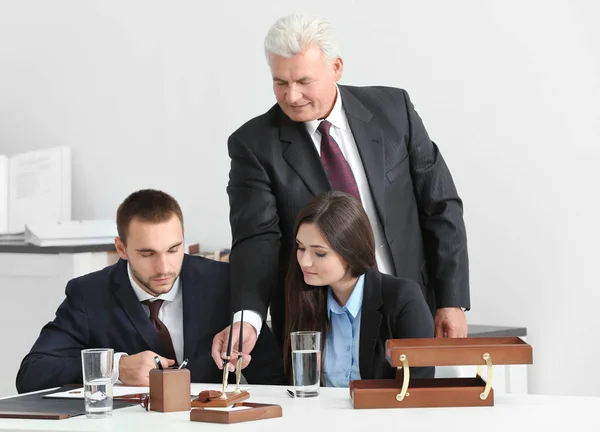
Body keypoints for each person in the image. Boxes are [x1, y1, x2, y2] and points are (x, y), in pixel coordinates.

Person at [212, 13, 469, 371]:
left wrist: (451, 300)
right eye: (280, 82)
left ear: (336, 67)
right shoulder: (254, 144)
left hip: (409, 308)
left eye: (304, 81)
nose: (292, 95)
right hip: (319, 321)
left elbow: (439, 206)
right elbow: (256, 240)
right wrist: (248, 318)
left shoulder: (395, 111)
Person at [16, 189, 285, 394]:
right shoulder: (88, 294)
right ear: (121, 249)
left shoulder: (224, 281)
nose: (164, 267)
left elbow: (273, 379)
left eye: (173, 249)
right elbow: (32, 373)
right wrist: (115, 368)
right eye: (147, 253)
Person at [283, 191, 434, 386]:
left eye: (319, 253)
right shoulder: (300, 296)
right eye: (300, 248)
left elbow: (418, 387)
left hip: (385, 415)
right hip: (315, 414)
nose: (304, 261)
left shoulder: (403, 299)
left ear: (351, 251)